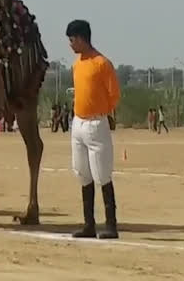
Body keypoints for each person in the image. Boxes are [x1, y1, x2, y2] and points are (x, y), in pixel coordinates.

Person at [66, 20, 120, 240]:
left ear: (81, 38)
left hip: (96, 123)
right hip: (78, 123)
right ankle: (89, 223)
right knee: (82, 173)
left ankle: (111, 225)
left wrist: (103, 111)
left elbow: (114, 94)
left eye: (72, 40)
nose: (70, 45)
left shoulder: (102, 63)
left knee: (102, 173)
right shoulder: (77, 64)